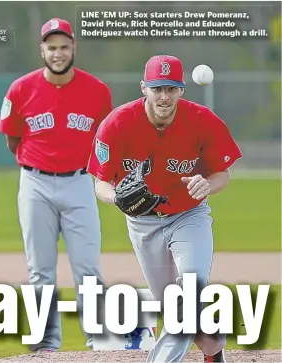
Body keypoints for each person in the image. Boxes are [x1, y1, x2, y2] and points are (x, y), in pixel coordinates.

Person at [87, 54, 240, 363]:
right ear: (144, 88)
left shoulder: (203, 121)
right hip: (142, 223)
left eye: (171, 88)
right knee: (176, 307)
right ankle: (213, 352)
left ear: (181, 90)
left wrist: (208, 185)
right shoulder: (117, 123)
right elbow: (100, 182)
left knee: (190, 292)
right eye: (158, 88)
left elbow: (222, 173)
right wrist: (116, 198)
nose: (164, 96)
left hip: (189, 216)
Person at [0, 17, 111, 352]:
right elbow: (12, 139)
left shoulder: (97, 90)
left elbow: (105, 141)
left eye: (64, 46)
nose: (58, 53)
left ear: (74, 47)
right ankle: (46, 344)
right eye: (52, 47)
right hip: (35, 183)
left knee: (87, 267)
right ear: (42, 49)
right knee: (40, 269)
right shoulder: (21, 89)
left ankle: (100, 339)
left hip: (79, 182)